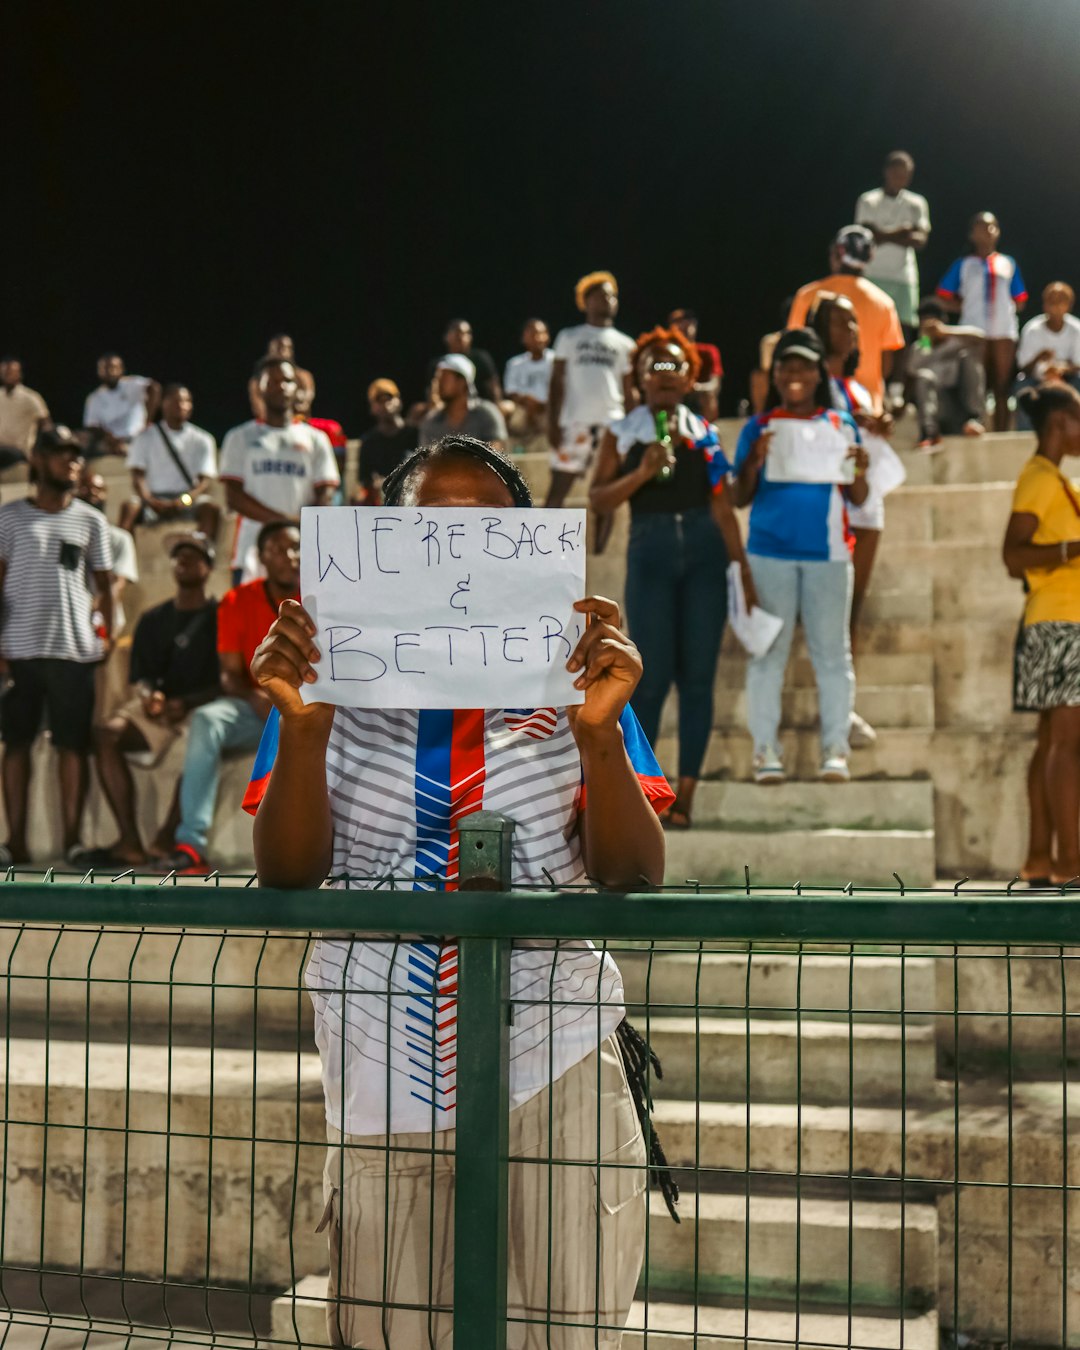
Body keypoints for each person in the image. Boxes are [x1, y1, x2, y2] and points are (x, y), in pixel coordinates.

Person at [245, 432, 672, 1349]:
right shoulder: (329, 675)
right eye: (428, 528)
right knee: (389, 1327)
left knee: (564, 1325)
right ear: (382, 547)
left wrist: (599, 733)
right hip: (377, 1054)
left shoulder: (575, 676)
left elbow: (632, 873)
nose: (455, 552)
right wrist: (307, 729)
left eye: (487, 530)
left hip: (553, 1052)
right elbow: (287, 873)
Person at [590, 326, 753, 829]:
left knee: (698, 679)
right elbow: (599, 498)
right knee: (651, 677)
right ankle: (644, 791)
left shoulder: (704, 433)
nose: (663, 374)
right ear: (638, 378)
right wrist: (642, 472)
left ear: (689, 379)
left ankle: (685, 795)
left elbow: (724, 508)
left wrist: (742, 569)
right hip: (651, 553)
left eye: (673, 365)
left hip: (704, 552)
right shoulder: (624, 432)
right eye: (653, 366)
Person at [733, 329, 869, 786]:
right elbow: (738, 495)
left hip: (828, 554)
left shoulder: (840, 424)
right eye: (786, 367)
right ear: (775, 374)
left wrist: (861, 467)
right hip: (769, 552)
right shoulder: (759, 427)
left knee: (833, 655)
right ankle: (765, 751)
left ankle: (836, 750)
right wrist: (754, 459)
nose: (795, 375)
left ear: (819, 373)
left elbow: (858, 494)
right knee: (767, 654)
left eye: (804, 366)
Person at [153, 520, 300, 874]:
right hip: (259, 707)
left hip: (310, 708)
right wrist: (256, 699)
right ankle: (190, 844)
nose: (291, 557)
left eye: (296, 548)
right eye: (279, 549)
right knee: (207, 718)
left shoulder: (324, 597)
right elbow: (230, 676)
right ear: (262, 556)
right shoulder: (238, 599)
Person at [0, 427, 114, 866]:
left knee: (72, 745)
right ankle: (16, 844)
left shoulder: (91, 519)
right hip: (19, 649)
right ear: (38, 460)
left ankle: (72, 843)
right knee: (16, 745)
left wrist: (105, 631)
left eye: (75, 456)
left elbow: (105, 587)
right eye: (60, 455)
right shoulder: (9, 518)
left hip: (74, 650)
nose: (71, 463)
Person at [92, 533, 220, 866]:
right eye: (179, 557)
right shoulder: (153, 618)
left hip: (203, 706)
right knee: (106, 732)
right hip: (161, 707)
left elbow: (229, 680)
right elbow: (142, 676)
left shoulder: (221, 615)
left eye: (193, 557)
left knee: (204, 737)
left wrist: (187, 703)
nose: (184, 563)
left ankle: (166, 839)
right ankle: (129, 840)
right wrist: (152, 697)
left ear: (208, 567)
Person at [809, 293, 898, 747]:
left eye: (853, 322)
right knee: (836, 612)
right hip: (836, 501)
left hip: (868, 500)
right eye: (841, 321)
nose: (851, 330)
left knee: (854, 608)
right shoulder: (811, 378)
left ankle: (844, 706)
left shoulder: (856, 383)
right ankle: (836, 711)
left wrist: (879, 422)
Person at [1002, 384, 1080, 885]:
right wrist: (1071, 551)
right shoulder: (1039, 479)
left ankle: (1038, 859)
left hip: (1053, 620)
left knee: (1050, 742)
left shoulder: (1052, 478)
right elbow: (1012, 556)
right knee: (1066, 746)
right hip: (1060, 621)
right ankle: (1072, 865)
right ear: (1059, 424)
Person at [219, 357, 339, 585]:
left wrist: (295, 527)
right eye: (272, 381)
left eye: (287, 381)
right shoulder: (239, 437)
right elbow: (233, 497)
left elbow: (326, 494)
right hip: (252, 550)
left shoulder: (315, 439)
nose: (280, 386)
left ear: (297, 388)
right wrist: (284, 523)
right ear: (259, 387)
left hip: (302, 552)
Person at [546, 272, 637, 552]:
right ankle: (541, 548)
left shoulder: (625, 343)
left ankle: (597, 555)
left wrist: (632, 426)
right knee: (558, 488)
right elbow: (557, 381)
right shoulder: (569, 337)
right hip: (575, 422)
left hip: (613, 424)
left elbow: (629, 388)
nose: (608, 300)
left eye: (612, 295)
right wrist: (553, 422)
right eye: (601, 295)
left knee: (604, 494)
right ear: (585, 302)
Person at [788, 227, 905, 410]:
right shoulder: (884, 302)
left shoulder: (808, 295)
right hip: (866, 407)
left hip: (819, 405)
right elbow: (887, 364)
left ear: (836, 253)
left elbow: (796, 346)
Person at [936, 212, 1028, 432]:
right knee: (976, 383)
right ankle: (977, 428)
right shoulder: (963, 264)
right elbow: (942, 295)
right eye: (981, 227)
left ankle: (1002, 433)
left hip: (1003, 331)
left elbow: (1021, 299)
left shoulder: (1007, 263)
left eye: (991, 227)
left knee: (1002, 387)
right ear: (972, 233)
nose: (986, 232)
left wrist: (1002, 310)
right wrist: (964, 306)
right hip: (973, 330)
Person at [118, 383, 221, 541]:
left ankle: (202, 552)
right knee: (129, 506)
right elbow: (137, 477)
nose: (182, 405)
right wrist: (151, 501)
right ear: (163, 403)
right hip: (153, 499)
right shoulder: (144, 437)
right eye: (176, 401)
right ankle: (122, 558)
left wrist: (185, 500)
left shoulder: (203, 439)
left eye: (187, 401)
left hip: (187, 499)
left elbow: (204, 482)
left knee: (209, 508)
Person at [855, 151, 931, 335]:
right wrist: (902, 232)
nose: (901, 178)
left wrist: (882, 234)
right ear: (887, 171)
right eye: (897, 173)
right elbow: (867, 238)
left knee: (901, 330)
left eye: (906, 174)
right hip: (872, 274)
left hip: (903, 277)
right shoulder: (868, 200)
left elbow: (920, 241)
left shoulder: (917, 203)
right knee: (869, 327)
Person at [907, 298, 987, 447]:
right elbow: (913, 374)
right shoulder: (920, 348)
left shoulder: (956, 341)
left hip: (961, 402)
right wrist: (927, 341)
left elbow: (981, 338)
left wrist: (945, 331)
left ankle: (974, 419)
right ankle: (929, 434)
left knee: (969, 358)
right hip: (937, 406)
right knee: (924, 376)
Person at [76, 467, 139, 636]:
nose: (92, 494)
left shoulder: (120, 538)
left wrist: (97, 607)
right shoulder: (65, 533)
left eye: (98, 489)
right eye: (85, 488)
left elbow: (119, 581)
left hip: (103, 616)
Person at [1014, 283, 1080, 427]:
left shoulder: (1076, 329)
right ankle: (1025, 439)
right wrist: (1039, 357)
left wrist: (1061, 369)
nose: (1056, 306)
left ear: (1069, 305)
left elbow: (1077, 364)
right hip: (1037, 380)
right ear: (1045, 305)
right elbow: (1023, 368)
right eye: (1052, 302)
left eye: (1061, 302)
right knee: (1023, 389)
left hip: (1068, 380)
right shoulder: (1032, 329)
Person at [352, 378, 419, 505]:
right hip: (383, 502)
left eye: (389, 398)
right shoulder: (368, 442)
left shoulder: (415, 434)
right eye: (379, 400)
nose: (385, 404)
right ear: (372, 407)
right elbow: (365, 481)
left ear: (399, 401)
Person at [418, 355, 507, 450]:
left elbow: (496, 456)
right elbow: (427, 460)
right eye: (437, 378)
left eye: (444, 378)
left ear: (462, 382)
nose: (438, 383)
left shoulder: (487, 414)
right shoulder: (431, 421)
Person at [82, 353, 160, 455]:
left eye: (113, 367)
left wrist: (148, 420)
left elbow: (154, 388)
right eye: (105, 368)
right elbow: (91, 426)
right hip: (112, 443)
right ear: (99, 371)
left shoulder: (132, 384)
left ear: (121, 369)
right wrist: (108, 437)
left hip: (137, 436)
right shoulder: (95, 397)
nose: (109, 371)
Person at [503, 318, 555, 451]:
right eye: (532, 334)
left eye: (540, 333)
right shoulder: (515, 363)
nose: (537, 338)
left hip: (550, 409)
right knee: (504, 407)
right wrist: (528, 401)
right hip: (523, 409)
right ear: (524, 338)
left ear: (547, 336)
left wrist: (542, 405)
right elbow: (511, 392)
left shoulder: (556, 361)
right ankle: (503, 450)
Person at [426, 318, 502, 405]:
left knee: (507, 406)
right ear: (446, 337)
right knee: (417, 409)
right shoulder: (438, 363)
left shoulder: (481, 358)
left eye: (466, 333)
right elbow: (431, 391)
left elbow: (493, 386)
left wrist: (496, 406)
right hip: (445, 407)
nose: (461, 337)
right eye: (456, 332)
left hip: (479, 404)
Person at [668, 308, 723, 421]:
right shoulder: (665, 352)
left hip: (698, 397)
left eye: (688, 320)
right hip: (675, 396)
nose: (684, 324)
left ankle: (707, 430)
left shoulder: (708, 351)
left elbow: (716, 383)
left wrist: (697, 388)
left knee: (708, 396)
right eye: (678, 321)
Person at [248, 334, 315, 421]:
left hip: (298, 423)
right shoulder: (257, 381)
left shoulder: (304, 376)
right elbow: (258, 408)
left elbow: (305, 404)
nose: (281, 352)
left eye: (288, 381)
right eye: (277, 348)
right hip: (267, 426)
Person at [0, 358, 50, 471]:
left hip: (19, 451)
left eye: (10, 372)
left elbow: (46, 425)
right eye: (4, 372)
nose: (6, 375)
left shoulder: (30, 398)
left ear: (19, 374)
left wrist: (39, 452)